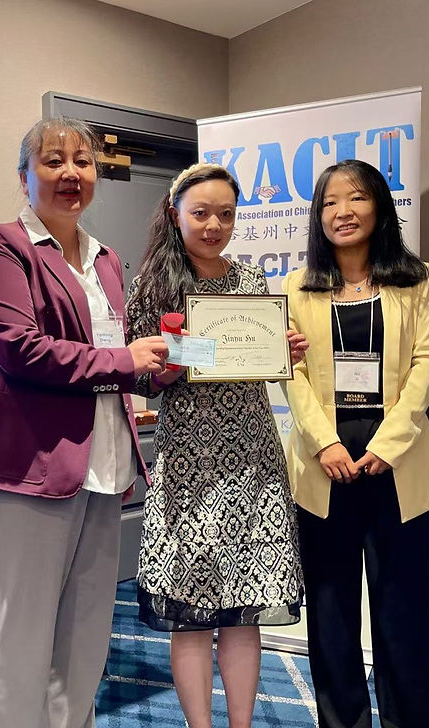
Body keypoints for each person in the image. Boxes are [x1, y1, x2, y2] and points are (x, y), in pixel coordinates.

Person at [0, 117, 170, 728]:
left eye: (83, 162)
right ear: (25, 177)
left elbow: (119, 359)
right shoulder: (1, 243)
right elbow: (20, 349)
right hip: (31, 466)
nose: (71, 174)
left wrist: (177, 363)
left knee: (85, 638)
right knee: (22, 640)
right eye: (53, 161)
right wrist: (125, 359)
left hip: (106, 465)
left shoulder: (107, 259)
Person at [125, 162, 307, 728]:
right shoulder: (153, 285)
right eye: (200, 213)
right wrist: (166, 366)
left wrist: (286, 353)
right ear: (174, 213)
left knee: (242, 609)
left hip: (253, 459)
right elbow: (132, 374)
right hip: (189, 462)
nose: (213, 225)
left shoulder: (252, 282)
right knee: (191, 613)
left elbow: (260, 362)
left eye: (225, 215)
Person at [282, 158, 429, 728]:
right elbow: (291, 371)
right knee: (330, 613)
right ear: (318, 216)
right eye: (330, 202)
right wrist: (324, 442)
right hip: (323, 468)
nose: (342, 212)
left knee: (401, 612)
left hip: (398, 466)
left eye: (355, 198)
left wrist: (391, 442)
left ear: (379, 205)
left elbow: (428, 361)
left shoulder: (415, 277)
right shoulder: (297, 285)